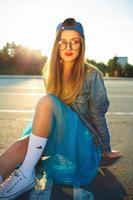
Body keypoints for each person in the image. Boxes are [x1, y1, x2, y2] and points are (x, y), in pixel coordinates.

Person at [0, 18, 122, 199]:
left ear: (82, 45)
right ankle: (23, 172)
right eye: (63, 42)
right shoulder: (50, 73)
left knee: (46, 102)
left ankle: (27, 174)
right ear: (56, 45)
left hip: (81, 141)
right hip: (57, 134)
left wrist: (105, 148)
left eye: (75, 42)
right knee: (20, 147)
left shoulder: (92, 74)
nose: (69, 47)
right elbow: (51, 115)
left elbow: (98, 116)